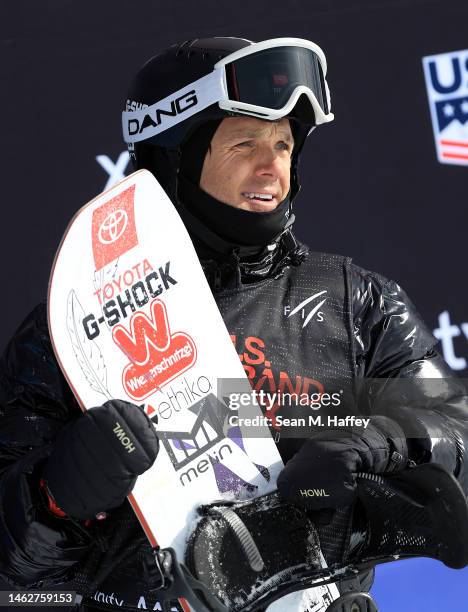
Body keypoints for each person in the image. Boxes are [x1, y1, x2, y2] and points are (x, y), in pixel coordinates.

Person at [0, 36, 467, 612]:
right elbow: (16, 582)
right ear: (177, 157)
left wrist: (385, 445)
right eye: (244, 142)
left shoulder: (358, 303)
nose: (272, 167)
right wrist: (51, 498)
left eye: (284, 144)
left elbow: (457, 432)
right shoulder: (69, 331)